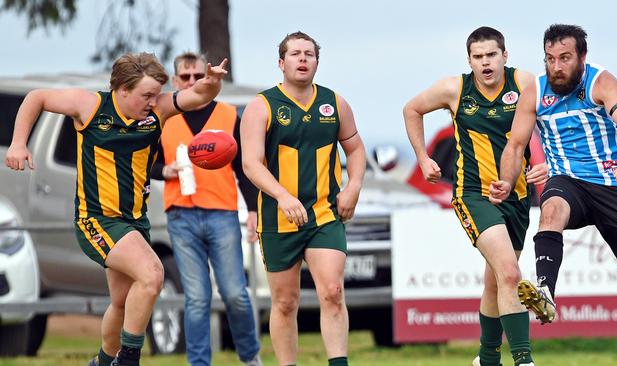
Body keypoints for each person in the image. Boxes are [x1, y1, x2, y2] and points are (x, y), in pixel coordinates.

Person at [4, 52, 228, 366]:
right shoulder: (90, 106)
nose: (153, 101)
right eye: (146, 95)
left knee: (122, 303)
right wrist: (18, 143)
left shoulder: (158, 111)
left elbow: (200, 94)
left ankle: (103, 361)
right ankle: (128, 359)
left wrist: (213, 82)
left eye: (155, 94)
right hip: (96, 220)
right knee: (152, 275)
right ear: (122, 89)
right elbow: (36, 97)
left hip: (135, 222)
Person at [490, 23, 617, 365]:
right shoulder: (536, 89)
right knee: (552, 209)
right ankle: (545, 291)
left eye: (564, 58)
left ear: (582, 57)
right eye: (550, 59)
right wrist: (506, 180)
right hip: (567, 181)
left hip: (611, 186)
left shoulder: (600, 81)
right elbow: (516, 144)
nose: (556, 67)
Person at [404, 26, 548, 366]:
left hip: (517, 196)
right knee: (511, 274)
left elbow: (551, 123)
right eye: (478, 57)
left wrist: (550, 166)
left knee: (497, 280)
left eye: (491, 55)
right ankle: (524, 359)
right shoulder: (455, 89)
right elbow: (412, 109)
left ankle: (486, 358)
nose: (485, 63)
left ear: (504, 56)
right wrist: (423, 157)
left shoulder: (524, 83)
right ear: (469, 60)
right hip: (474, 195)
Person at [240, 31, 366, 366]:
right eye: (295, 54)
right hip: (279, 217)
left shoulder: (335, 103)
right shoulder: (261, 106)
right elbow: (250, 164)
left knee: (333, 292)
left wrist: (353, 187)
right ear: (281, 63)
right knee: (285, 301)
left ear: (317, 62)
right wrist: (282, 196)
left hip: (324, 214)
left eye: (309, 54)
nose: (303, 59)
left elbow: (355, 149)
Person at [150, 51, 262, 366]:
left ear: (206, 77)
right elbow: (145, 163)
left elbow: (244, 167)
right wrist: (165, 171)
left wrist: (252, 210)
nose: (191, 82)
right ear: (174, 81)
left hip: (222, 212)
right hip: (180, 215)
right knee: (197, 298)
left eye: (197, 76)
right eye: (184, 77)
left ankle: (250, 356)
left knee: (236, 295)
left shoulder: (227, 115)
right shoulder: (164, 117)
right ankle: (199, 363)